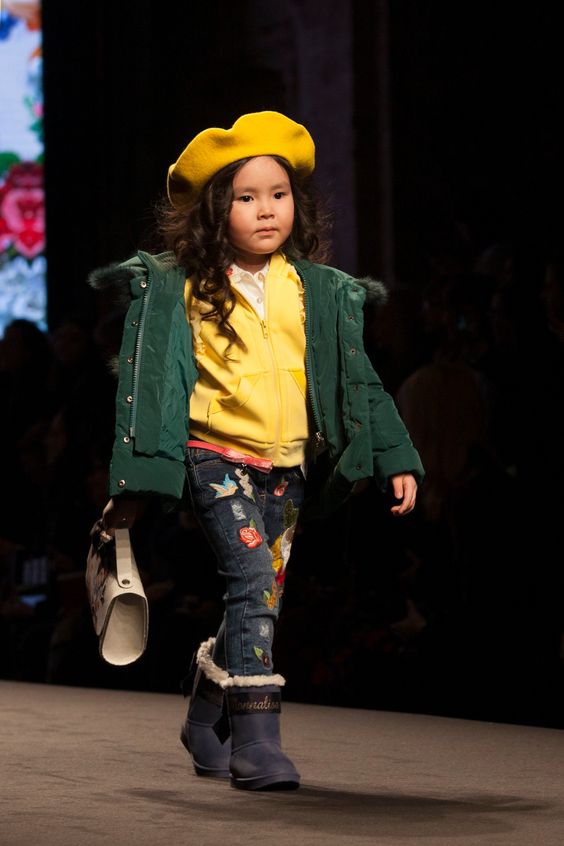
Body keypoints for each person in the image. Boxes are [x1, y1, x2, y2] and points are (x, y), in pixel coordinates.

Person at [89, 111, 424, 791]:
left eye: (279, 193)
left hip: (289, 468)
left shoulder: (316, 290)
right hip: (215, 458)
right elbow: (151, 386)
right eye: (247, 197)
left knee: (259, 594)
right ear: (217, 210)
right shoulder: (186, 287)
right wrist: (133, 485)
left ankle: (202, 715)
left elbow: (357, 378)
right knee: (251, 583)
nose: (267, 209)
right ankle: (257, 738)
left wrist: (396, 455)